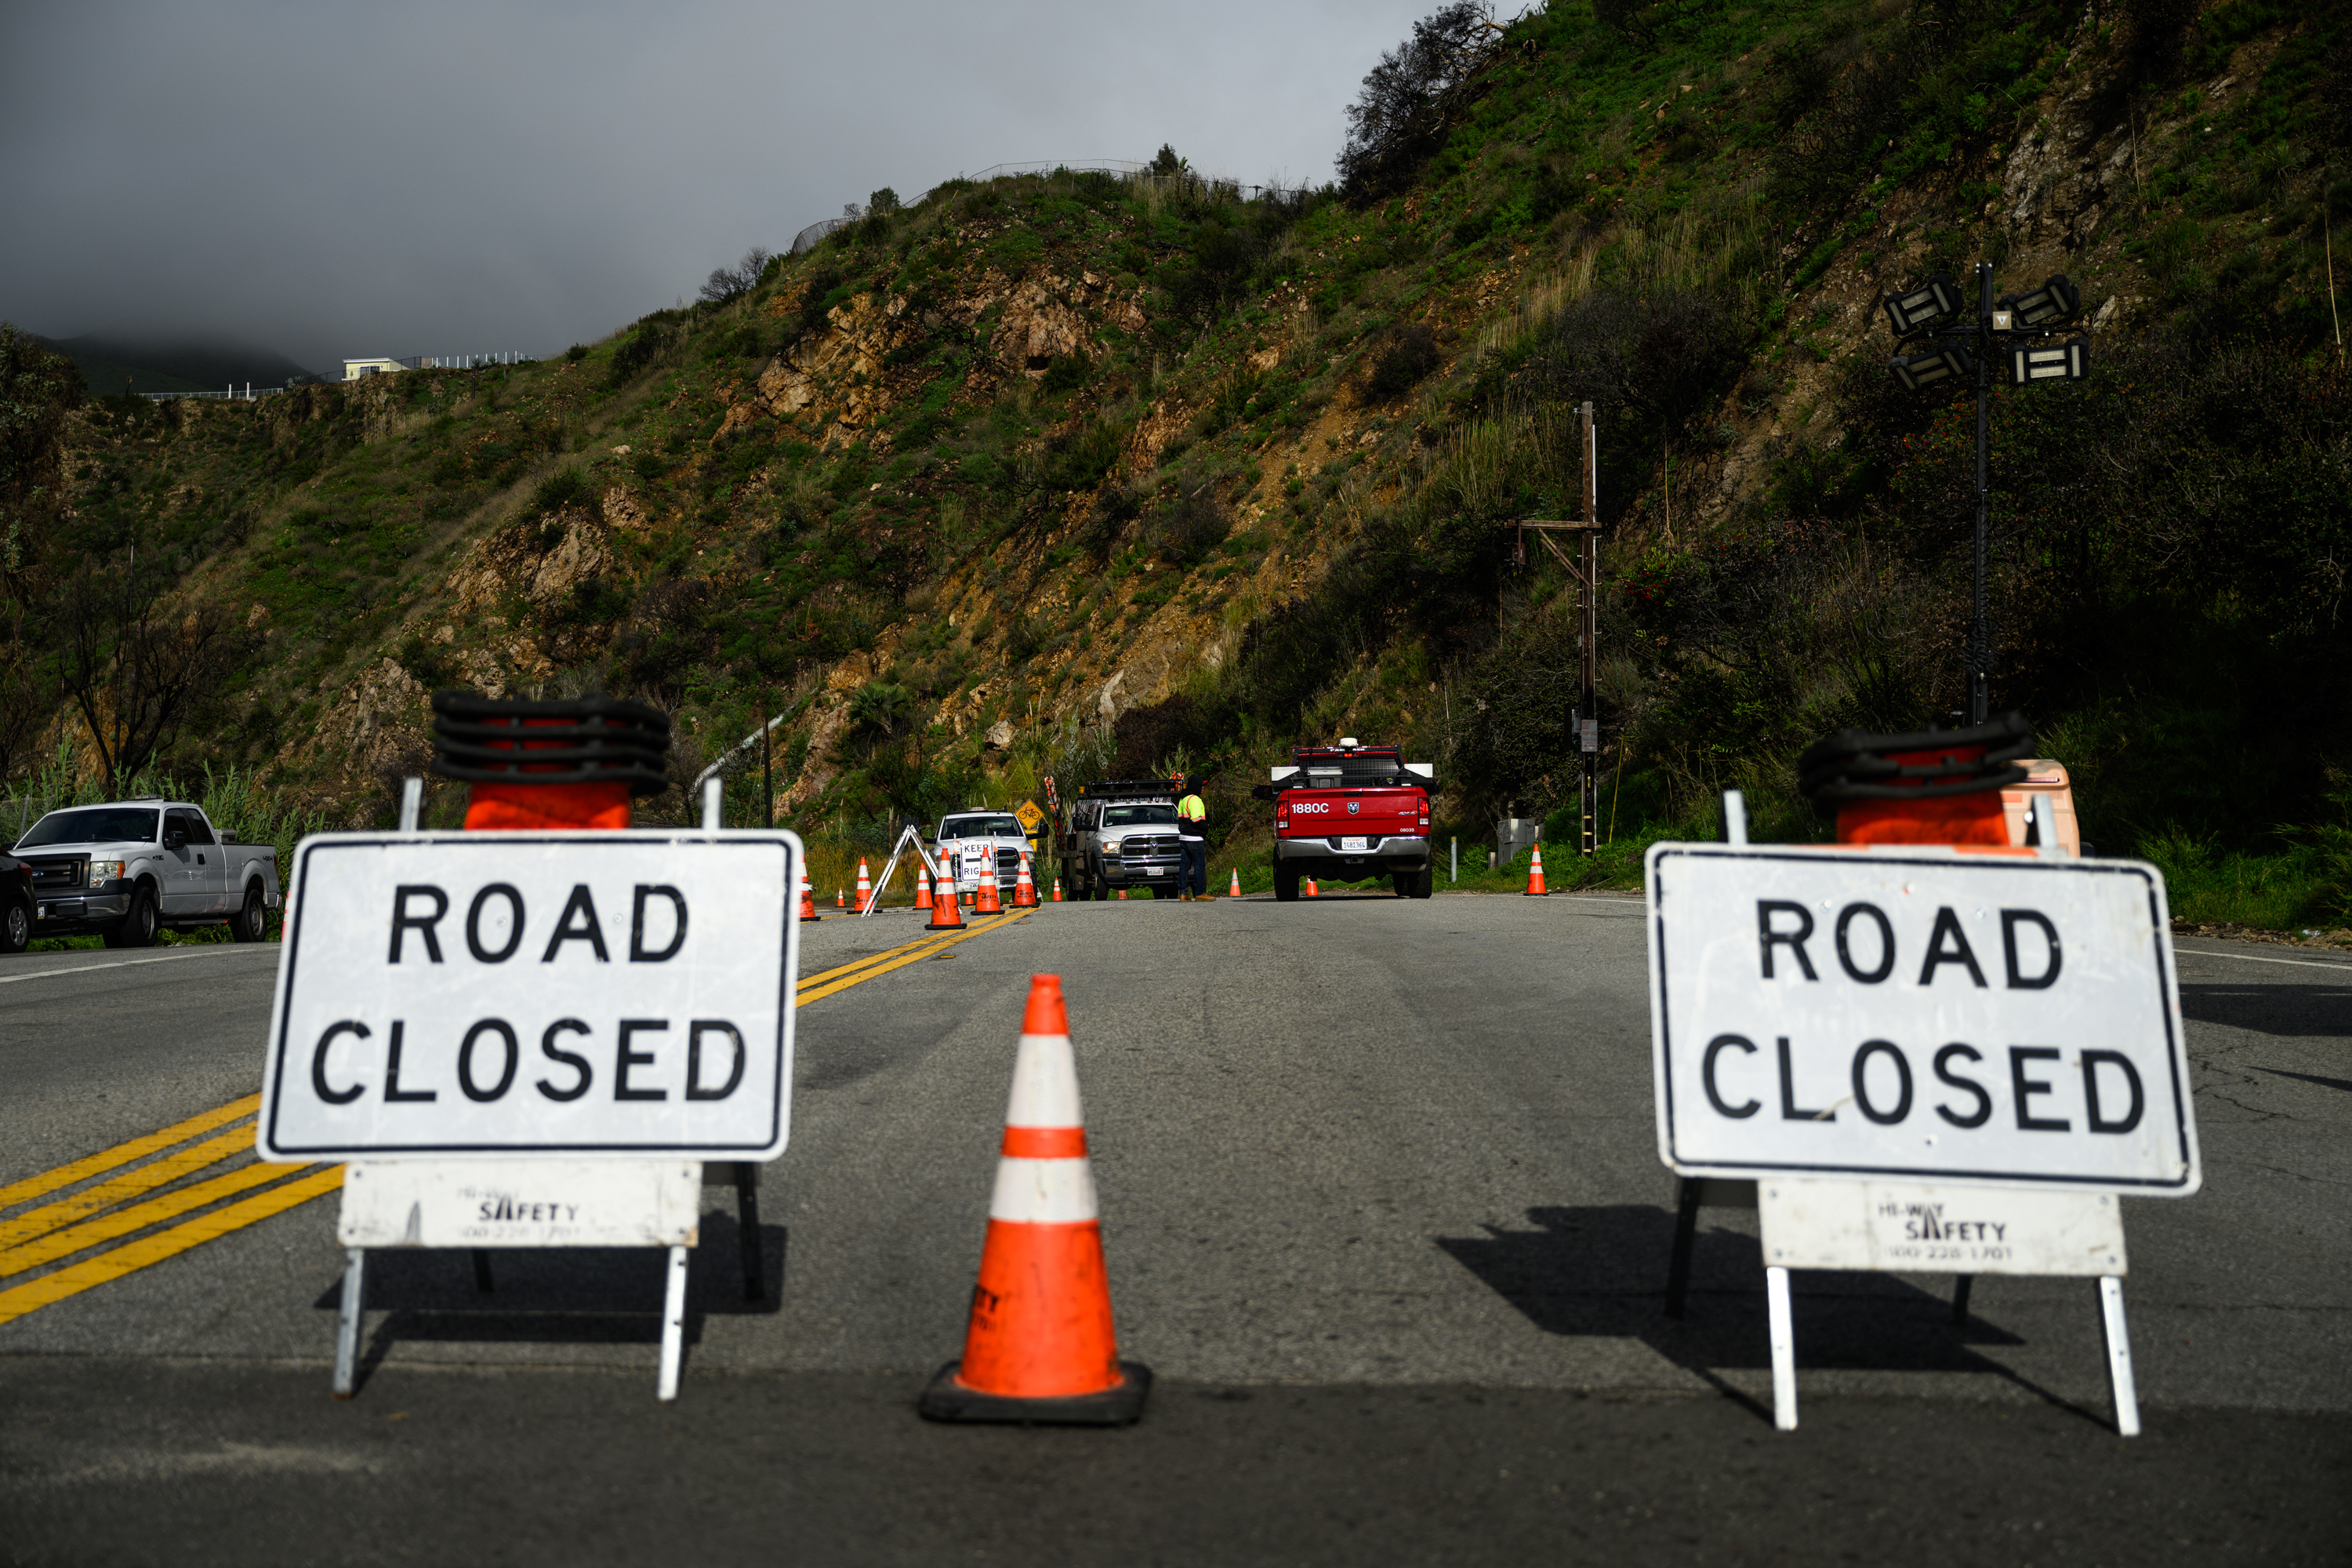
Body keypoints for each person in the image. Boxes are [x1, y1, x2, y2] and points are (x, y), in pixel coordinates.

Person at [1175, 776, 1209, 901]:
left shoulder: (1183, 799)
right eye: (1202, 785)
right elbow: (1196, 820)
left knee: (1184, 866)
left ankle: (1183, 893)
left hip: (1184, 837)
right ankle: (1200, 893)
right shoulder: (1195, 799)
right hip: (1195, 839)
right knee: (1199, 866)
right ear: (1196, 786)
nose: (1203, 788)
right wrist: (1206, 828)